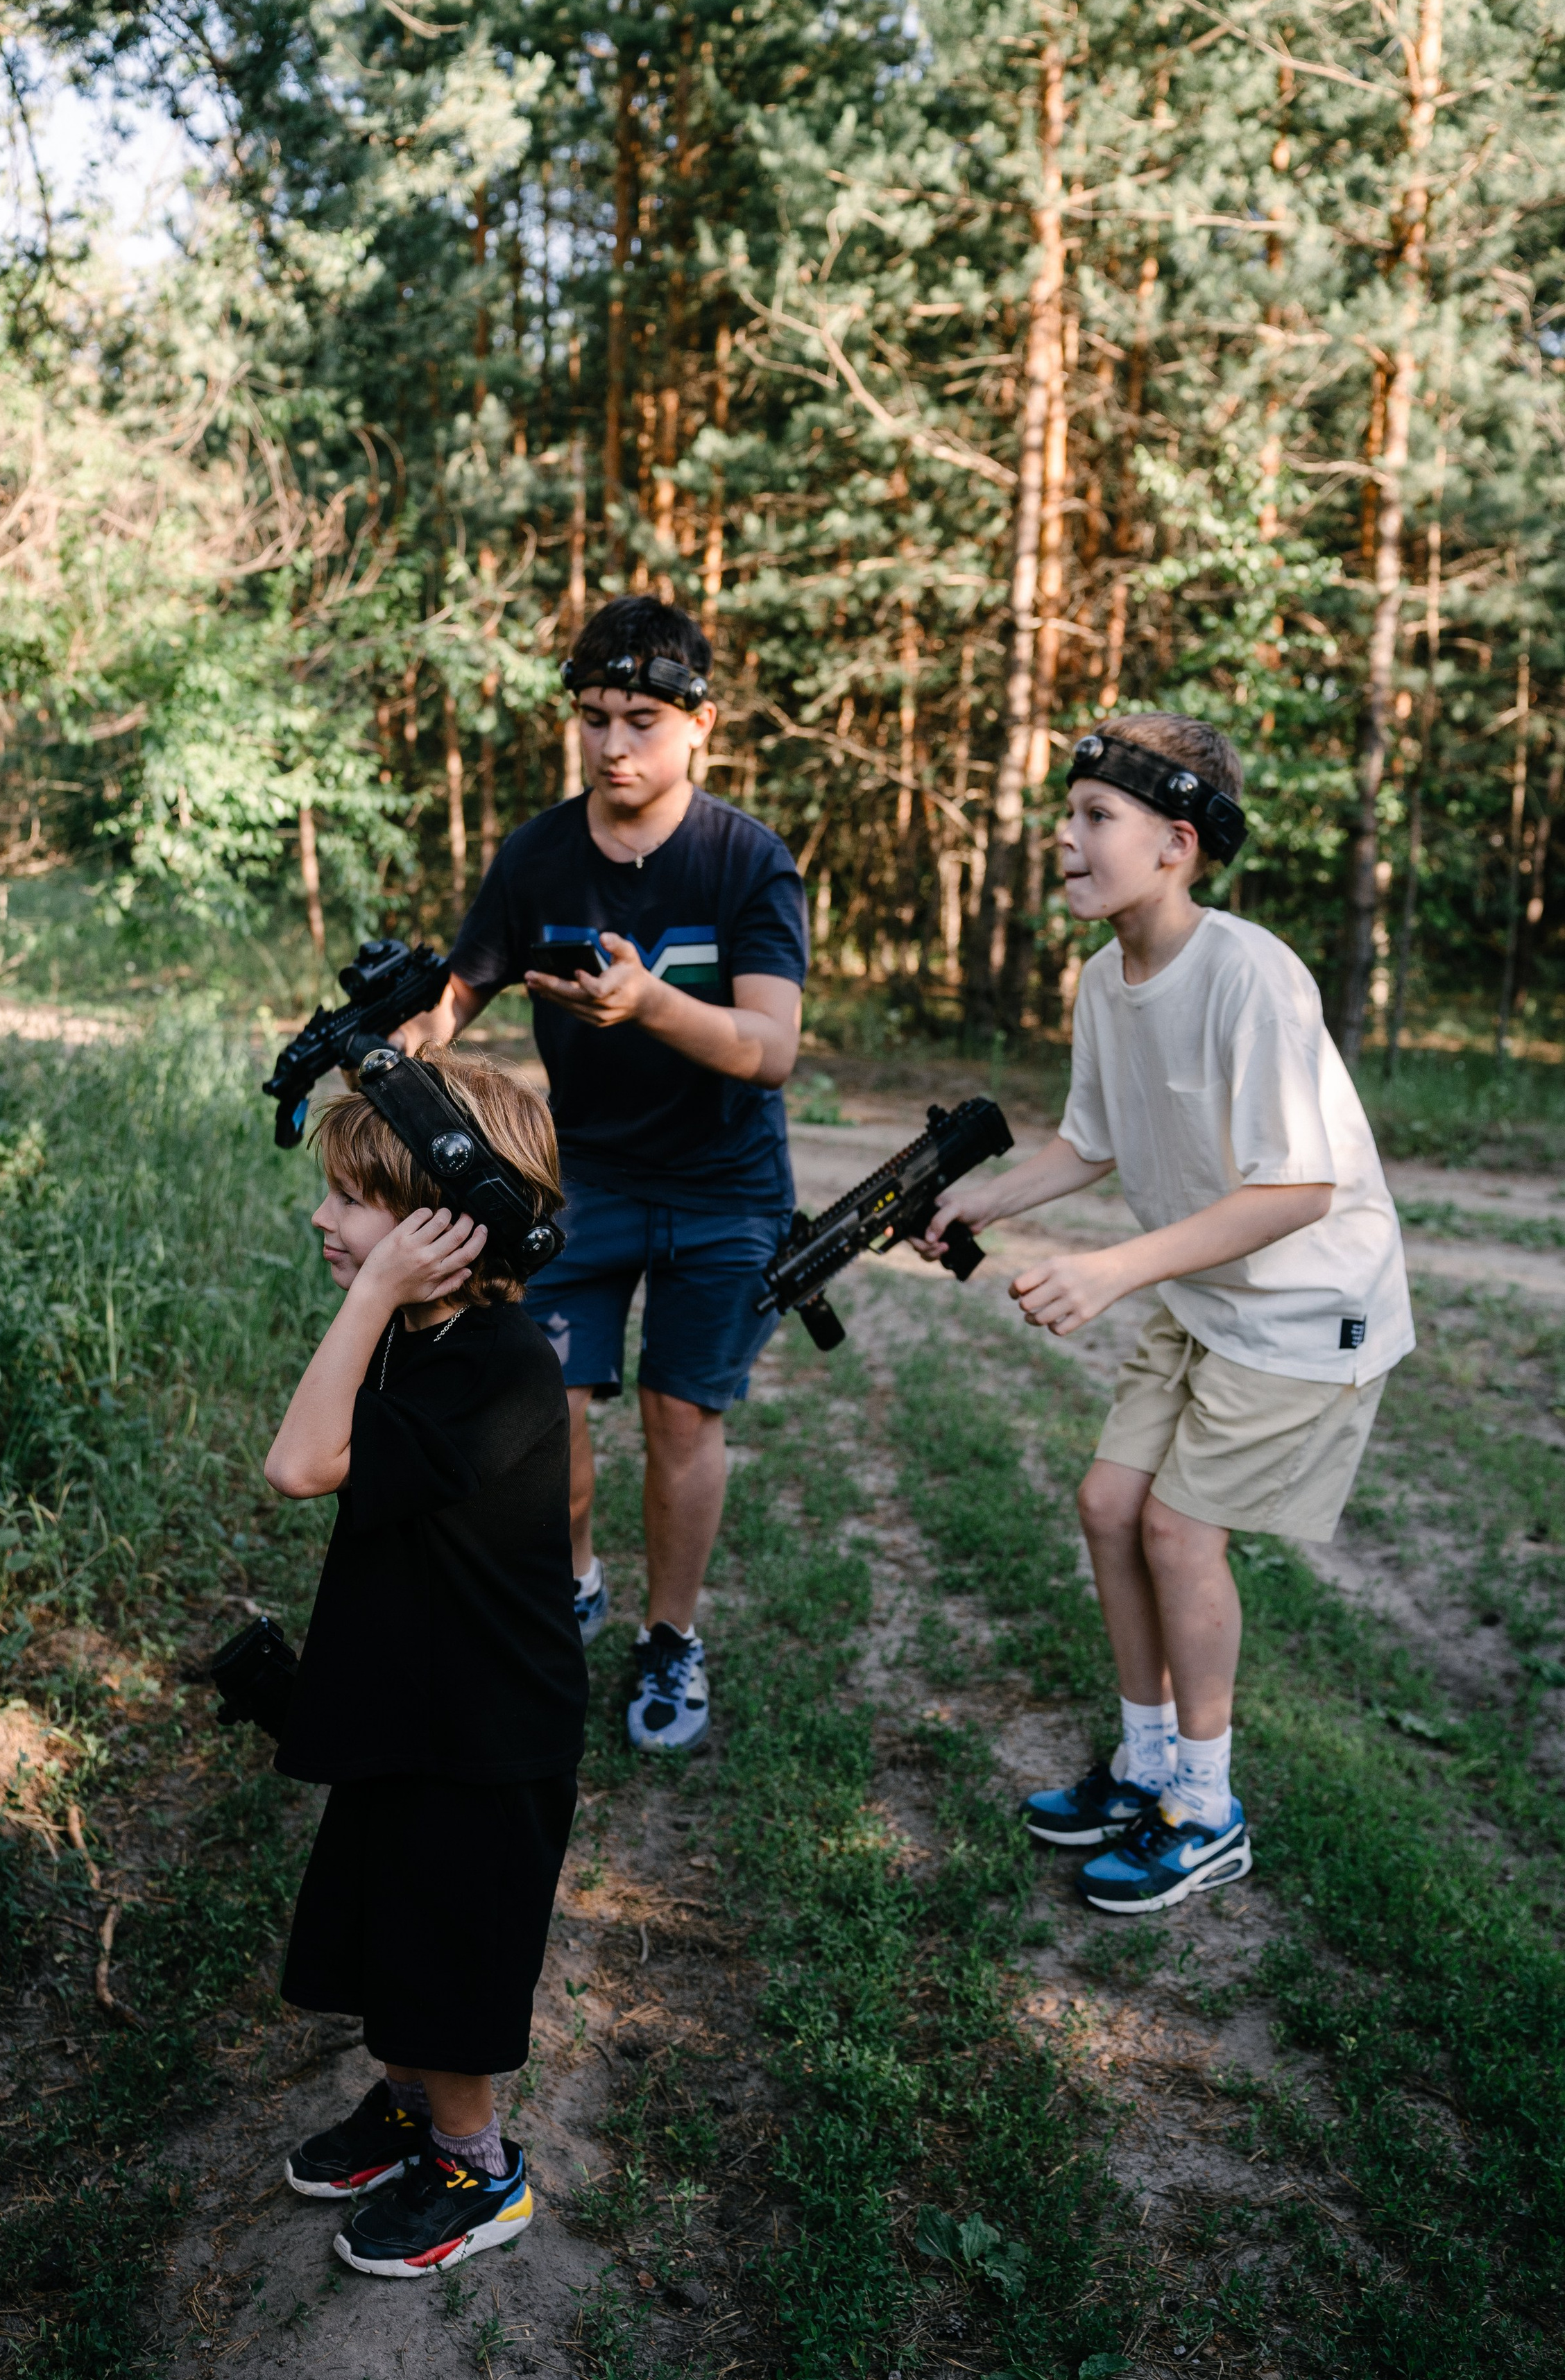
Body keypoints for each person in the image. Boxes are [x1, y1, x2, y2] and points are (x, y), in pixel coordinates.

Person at [921, 714, 1412, 1915]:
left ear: (1177, 844)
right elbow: (1091, 1139)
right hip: (1205, 1295)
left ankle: (1205, 1806)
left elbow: (1298, 1189)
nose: (1066, 838)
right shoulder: (1104, 979)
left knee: (1183, 1535)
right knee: (1108, 1506)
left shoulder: (1252, 974)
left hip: (1306, 1310)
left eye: (1097, 819)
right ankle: (1144, 1768)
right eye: (1070, 814)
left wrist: (1114, 1269)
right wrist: (978, 1199)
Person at [393, 594, 808, 1757]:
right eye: (593, 719)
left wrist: (652, 1005)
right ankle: (572, 1582)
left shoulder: (748, 862)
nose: (614, 746)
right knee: (550, 1412)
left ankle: (671, 1639)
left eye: (639, 720)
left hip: (728, 1190)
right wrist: (392, 1041)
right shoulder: (535, 855)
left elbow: (770, 1049)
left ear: (699, 726)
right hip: (589, 1182)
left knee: (683, 1418)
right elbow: (456, 997)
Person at [264, 1049, 587, 2278]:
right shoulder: (414, 1331)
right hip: (411, 1701)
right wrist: (380, 1293)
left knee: (452, 1952)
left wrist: (367, 1296)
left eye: (352, 1200)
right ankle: (409, 2108)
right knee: (390, 1925)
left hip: (487, 1730)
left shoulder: (499, 1363)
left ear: (444, 1227)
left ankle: (476, 2165)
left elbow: (300, 1467)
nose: (323, 1216)